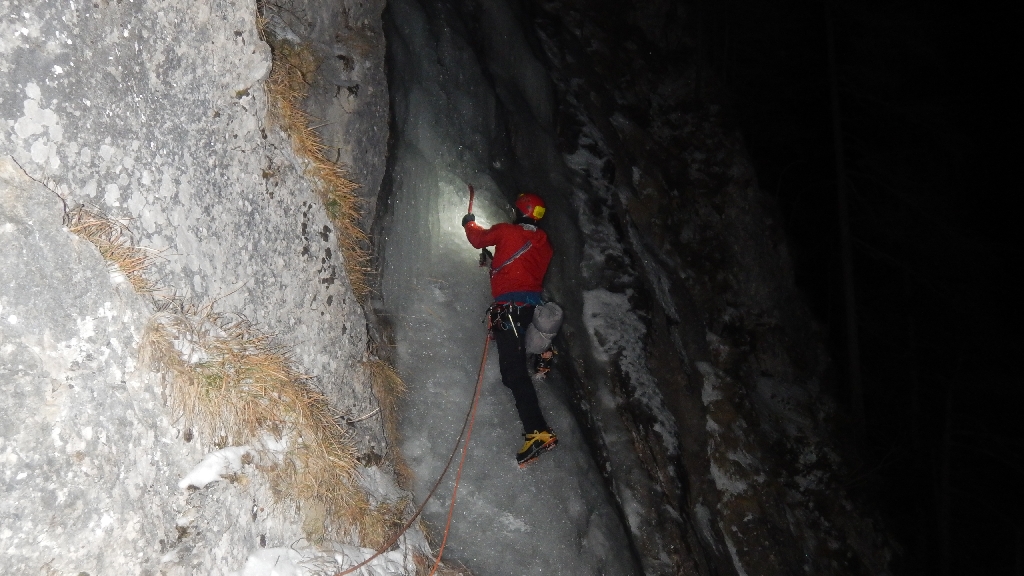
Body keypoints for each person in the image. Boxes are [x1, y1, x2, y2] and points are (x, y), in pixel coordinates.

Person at [462, 192, 557, 467]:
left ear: (519, 210)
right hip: (528, 310)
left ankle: (538, 432)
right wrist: (495, 264)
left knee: (514, 373)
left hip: (510, 310)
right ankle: (544, 355)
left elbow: (477, 239)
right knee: (514, 369)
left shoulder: (507, 231)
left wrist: (469, 222)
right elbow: (523, 273)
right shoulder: (544, 245)